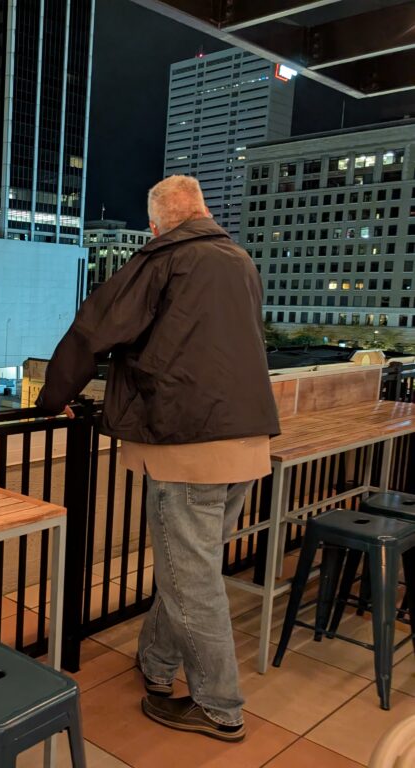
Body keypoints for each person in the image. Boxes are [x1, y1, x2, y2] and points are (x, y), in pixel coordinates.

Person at [36, 175, 279, 742]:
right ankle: (157, 664)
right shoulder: (238, 259)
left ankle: (220, 707)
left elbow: (93, 328)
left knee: (191, 579)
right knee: (190, 568)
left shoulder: (166, 258)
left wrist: (54, 399)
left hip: (186, 443)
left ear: (156, 223)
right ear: (202, 210)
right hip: (246, 439)